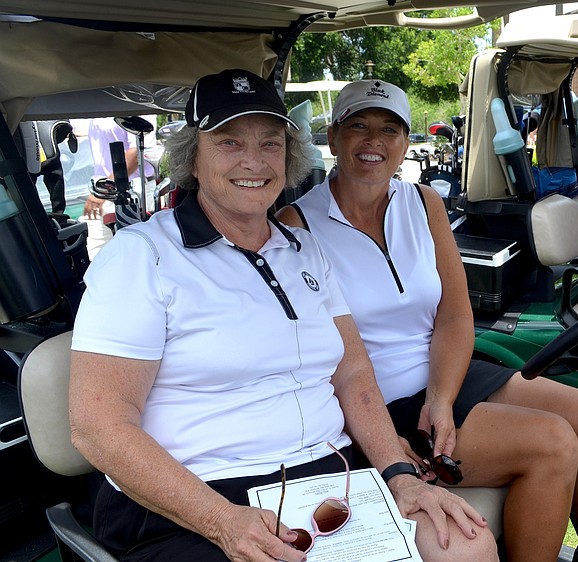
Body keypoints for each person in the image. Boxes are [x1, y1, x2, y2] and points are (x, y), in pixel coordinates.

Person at [68, 69, 496, 562]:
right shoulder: (142, 257)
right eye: (229, 143)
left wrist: (400, 475)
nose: (254, 161)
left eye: (270, 144)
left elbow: (354, 375)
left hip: (325, 477)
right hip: (200, 495)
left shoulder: (303, 249)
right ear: (193, 157)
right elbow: (97, 426)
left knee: (465, 542)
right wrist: (221, 520)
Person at [278, 80, 578, 562]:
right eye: (358, 126)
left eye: (389, 129)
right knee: (551, 442)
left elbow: (453, 311)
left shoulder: (423, 203)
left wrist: (441, 399)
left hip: (444, 376)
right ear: (334, 137)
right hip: (380, 401)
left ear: (406, 143)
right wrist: (397, 425)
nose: (373, 141)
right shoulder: (297, 223)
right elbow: (307, 354)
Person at [83, 116, 155, 219]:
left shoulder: (135, 105)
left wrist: (106, 188)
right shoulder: (98, 109)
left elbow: (135, 154)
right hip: (105, 192)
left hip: (133, 192)